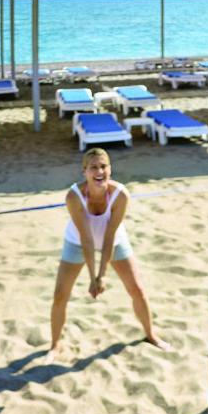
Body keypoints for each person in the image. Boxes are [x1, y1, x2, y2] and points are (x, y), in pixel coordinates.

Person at [47, 148, 169, 361]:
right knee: (60, 294)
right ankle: (55, 345)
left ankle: (151, 335)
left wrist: (102, 275)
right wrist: (92, 277)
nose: (99, 171)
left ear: (110, 169)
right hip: (77, 242)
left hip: (114, 241)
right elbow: (86, 239)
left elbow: (110, 235)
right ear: (84, 171)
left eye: (103, 166)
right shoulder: (74, 196)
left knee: (137, 289)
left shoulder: (120, 194)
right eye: (93, 167)